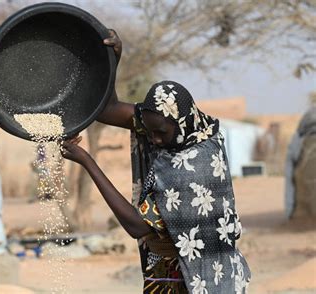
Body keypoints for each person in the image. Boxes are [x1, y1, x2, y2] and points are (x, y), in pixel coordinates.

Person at [61, 30, 251, 293]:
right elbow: (107, 109)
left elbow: (136, 226)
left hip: (196, 281)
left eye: (161, 132)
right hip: (166, 274)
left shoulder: (193, 166)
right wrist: (113, 60)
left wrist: (88, 162)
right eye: (149, 132)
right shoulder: (186, 128)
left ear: (180, 124)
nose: (154, 140)